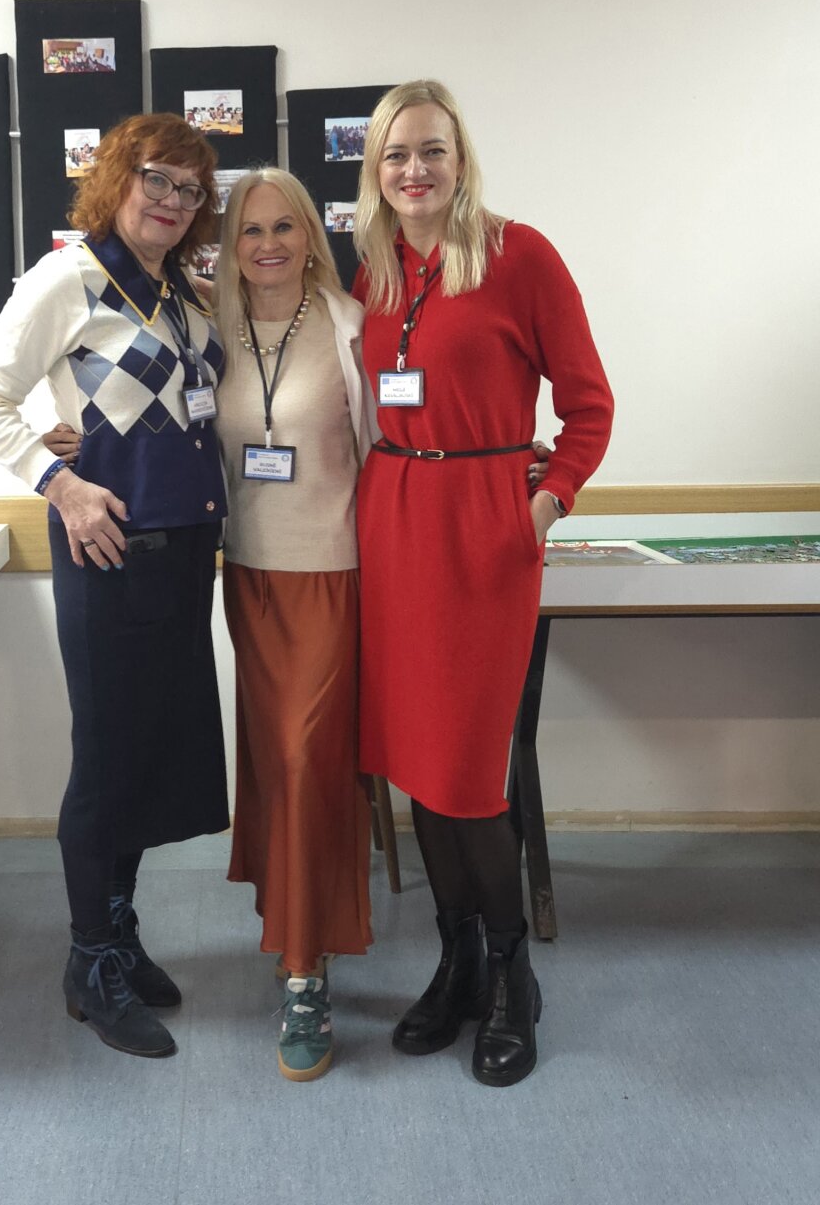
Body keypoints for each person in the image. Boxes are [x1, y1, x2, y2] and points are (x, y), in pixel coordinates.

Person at [353, 80, 613, 1087]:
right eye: (395, 154)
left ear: (460, 159)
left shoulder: (520, 256)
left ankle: (511, 975)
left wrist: (545, 502)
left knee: (467, 771)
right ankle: (456, 958)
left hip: (481, 532)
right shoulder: (375, 268)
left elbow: (589, 405)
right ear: (376, 171)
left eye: (432, 150)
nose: (414, 170)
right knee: (417, 763)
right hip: (394, 522)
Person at [0, 114, 227, 1061]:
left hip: (184, 550)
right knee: (108, 759)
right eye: (157, 178)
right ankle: (88, 960)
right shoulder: (66, 276)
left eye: (190, 189)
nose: (172, 200)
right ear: (118, 177)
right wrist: (60, 481)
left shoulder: (182, 291)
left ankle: (118, 929)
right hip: (108, 549)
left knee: (149, 753)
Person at [211, 168, 376, 1082]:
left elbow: (391, 453)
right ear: (230, 244)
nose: (268, 244)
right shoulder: (212, 328)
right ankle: (293, 923)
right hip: (251, 580)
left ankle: (307, 972)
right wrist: (66, 439)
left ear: (311, 234)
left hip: (333, 577)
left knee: (311, 758)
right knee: (276, 764)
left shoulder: (351, 327)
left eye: (285, 226)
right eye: (251, 229)